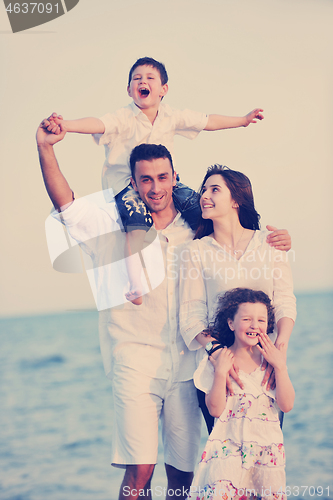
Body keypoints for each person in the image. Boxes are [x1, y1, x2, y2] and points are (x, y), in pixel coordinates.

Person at [36, 121, 291, 499]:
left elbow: (241, 241)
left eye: (162, 178)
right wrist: (46, 148)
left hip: (189, 365)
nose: (155, 188)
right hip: (136, 357)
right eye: (145, 180)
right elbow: (67, 206)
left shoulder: (197, 228)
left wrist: (281, 241)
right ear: (134, 184)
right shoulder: (114, 223)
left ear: (174, 178)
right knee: (139, 468)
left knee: (182, 475)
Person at [41, 56, 264, 305]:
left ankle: (241, 251)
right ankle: (135, 284)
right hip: (126, 187)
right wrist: (66, 126)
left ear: (163, 90)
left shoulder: (172, 116)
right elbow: (96, 123)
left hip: (170, 184)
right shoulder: (122, 118)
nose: (142, 82)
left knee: (202, 210)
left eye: (149, 78)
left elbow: (208, 121)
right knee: (137, 226)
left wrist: (242, 121)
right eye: (136, 79)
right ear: (129, 90)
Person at [179, 165, 296, 433]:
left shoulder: (269, 243)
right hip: (218, 374)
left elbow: (285, 300)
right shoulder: (196, 251)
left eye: (214, 189)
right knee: (222, 462)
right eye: (204, 190)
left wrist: (281, 347)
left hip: (264, 366)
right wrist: (219, 354)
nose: (205, 196)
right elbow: (191, 316)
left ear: (235, 199)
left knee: (265, 456)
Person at [187, 288, 295, 500]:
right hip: (227, 457)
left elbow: (287, 405)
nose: (255, 325)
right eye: (247, 319)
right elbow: (215, 410)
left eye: (261, 320)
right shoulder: (220, 360)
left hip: (267, 457)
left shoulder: (271, 362)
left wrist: (280, 367)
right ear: (231, 323)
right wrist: (220, 372)